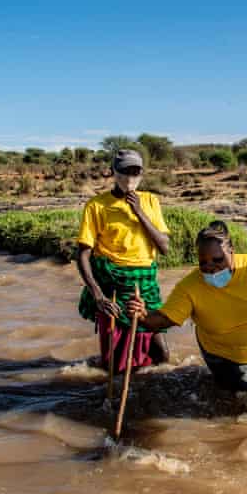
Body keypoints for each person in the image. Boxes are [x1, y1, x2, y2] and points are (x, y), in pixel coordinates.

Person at [126, 221, 247, 392]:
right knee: (242, 399)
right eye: (203, 263)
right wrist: (143, 316)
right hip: (222, 355)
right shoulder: (189, 286)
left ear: (232, 251)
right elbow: (165, 319)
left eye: (218, 260)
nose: (211, 267)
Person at [77, 149, 171, 374]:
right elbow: (82, 254)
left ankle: (153, 388)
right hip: (112, 286)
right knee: (114, 358)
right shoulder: (96, 206)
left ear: (141, 174)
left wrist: (138, 211)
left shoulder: (150, 201)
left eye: (135, 171)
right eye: (124, 171)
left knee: (161, 354)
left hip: (144, 283)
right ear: (113, 173)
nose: (130, 177)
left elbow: (164, 247)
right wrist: (98, 295)